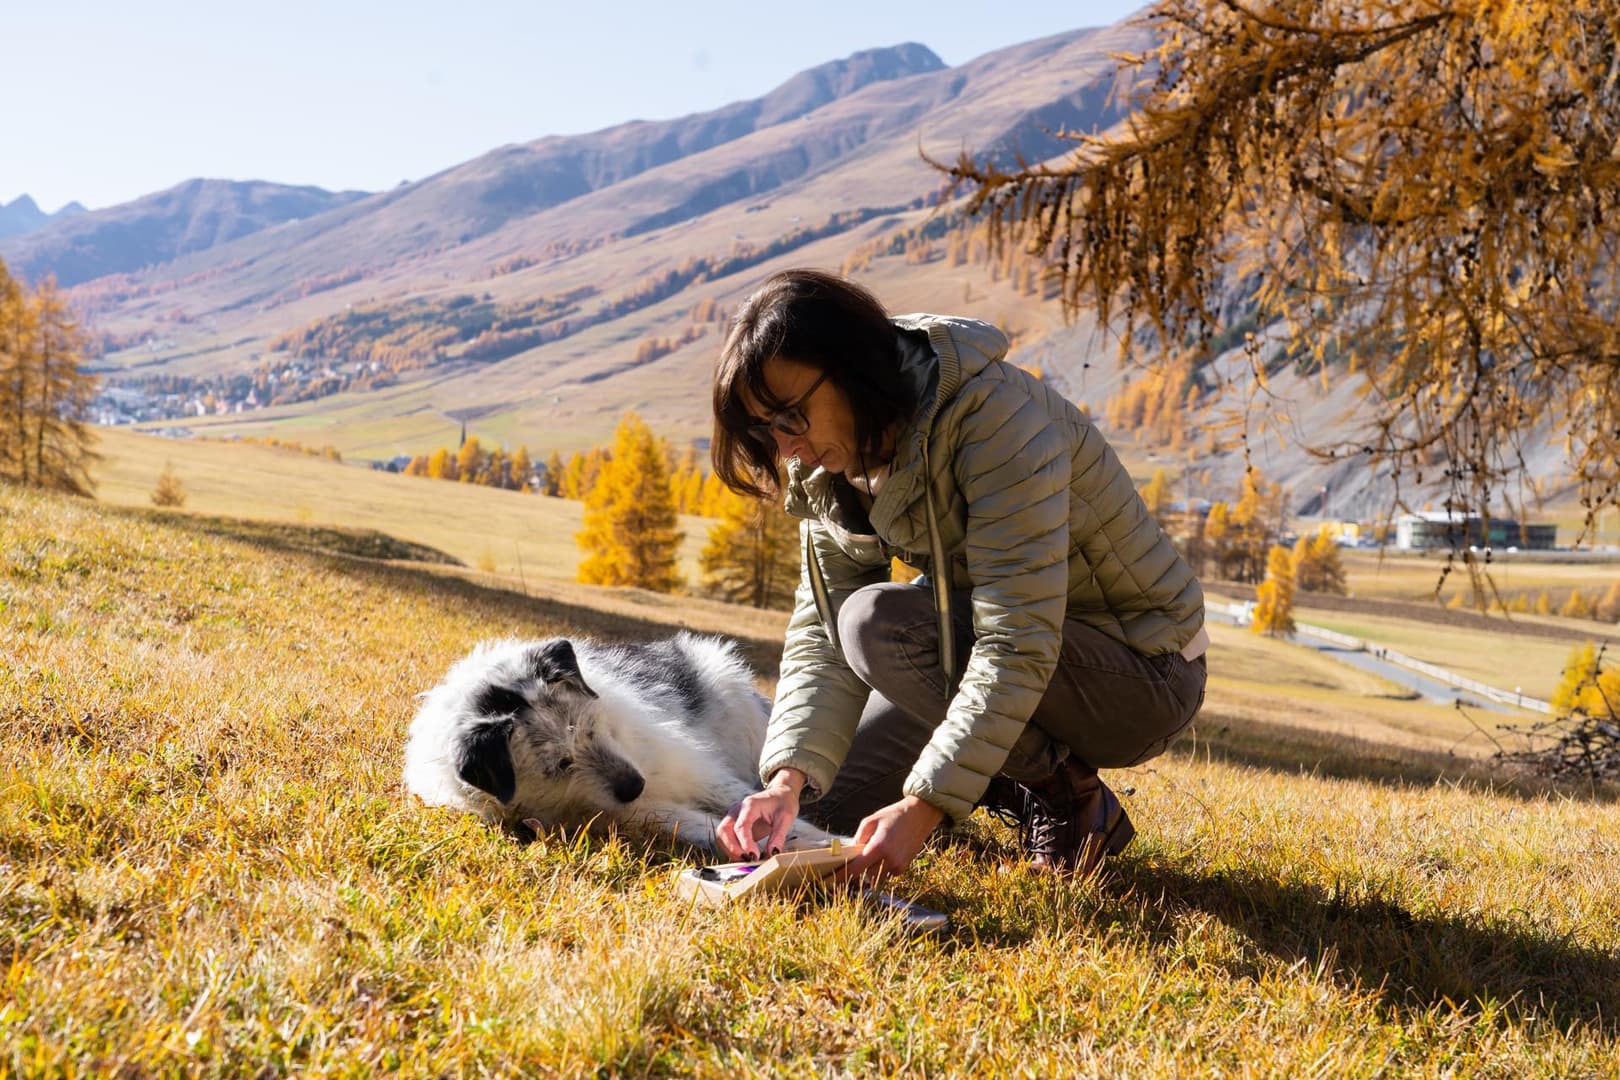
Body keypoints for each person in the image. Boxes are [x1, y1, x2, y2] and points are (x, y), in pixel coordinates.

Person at [709, 268, 1208, 879]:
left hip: (1143, 674)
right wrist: (787, 781)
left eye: (790, 418)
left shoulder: (999, 422)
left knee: (877, 623)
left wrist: (923, 806)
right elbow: (821, 631)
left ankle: (1064, 794)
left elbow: (1016, 638)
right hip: (982, 651)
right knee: (828, 803)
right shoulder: (824, 463)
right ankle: (997, 774)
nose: (785, 447)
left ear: (851, 367)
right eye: (766, 429)